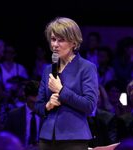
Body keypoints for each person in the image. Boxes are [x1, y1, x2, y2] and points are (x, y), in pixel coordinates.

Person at [34, 17, 99, 150]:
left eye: (61, 40)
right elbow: (38, 106)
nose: (55, 45)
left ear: (74, 43)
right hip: (46, 139)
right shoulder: (48, 69)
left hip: (74, 139)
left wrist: (61, 90)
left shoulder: (86, 67)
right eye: (53, 39)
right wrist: (47, 105)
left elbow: (89, 105)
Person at [4, 80, 41, 150]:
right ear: (25, 97)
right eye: (32, 102)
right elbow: (6, 140)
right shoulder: (13, 116)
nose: (35, 106)